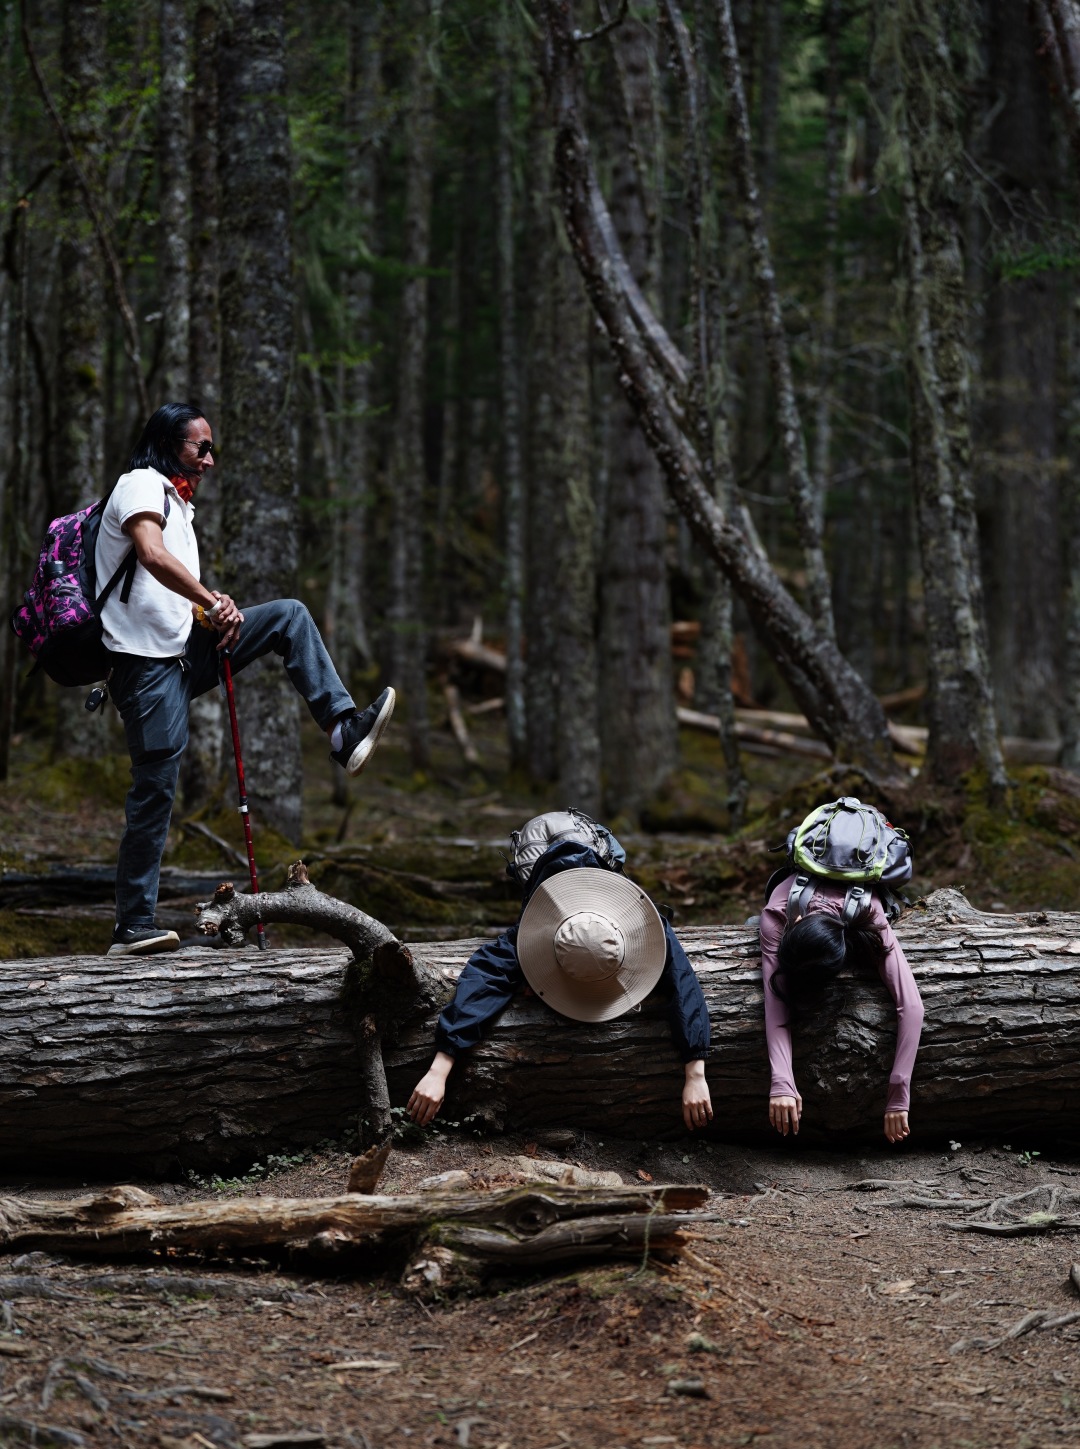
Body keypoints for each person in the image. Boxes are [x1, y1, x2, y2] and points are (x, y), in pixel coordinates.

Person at [96, 402, 395, 958]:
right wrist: (210, 600)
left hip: (184, 651)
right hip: (144, 668)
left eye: (212, 449)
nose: (210, 459)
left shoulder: (179, 506)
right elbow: (151, 555)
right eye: (201, 447)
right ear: (169, 444)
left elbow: (165, 597)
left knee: (288, 616)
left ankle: (342, 730)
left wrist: (214, 611)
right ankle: (131, 927)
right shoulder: (139, 484)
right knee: (155, 789)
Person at [407, 816, 714, 1132]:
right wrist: (438, 1070)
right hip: (537, 853)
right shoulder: (526, 937)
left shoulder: (647, 925)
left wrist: (696, 1074)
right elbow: (483, 978)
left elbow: (682, 980)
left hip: (591, 848)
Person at [759, 874, 924, 1143]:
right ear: (794, 923)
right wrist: (781, 1082)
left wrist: (898, 1094)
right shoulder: (775, 917)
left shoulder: (870, 914)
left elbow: (912, 1006)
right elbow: (775, 1002)